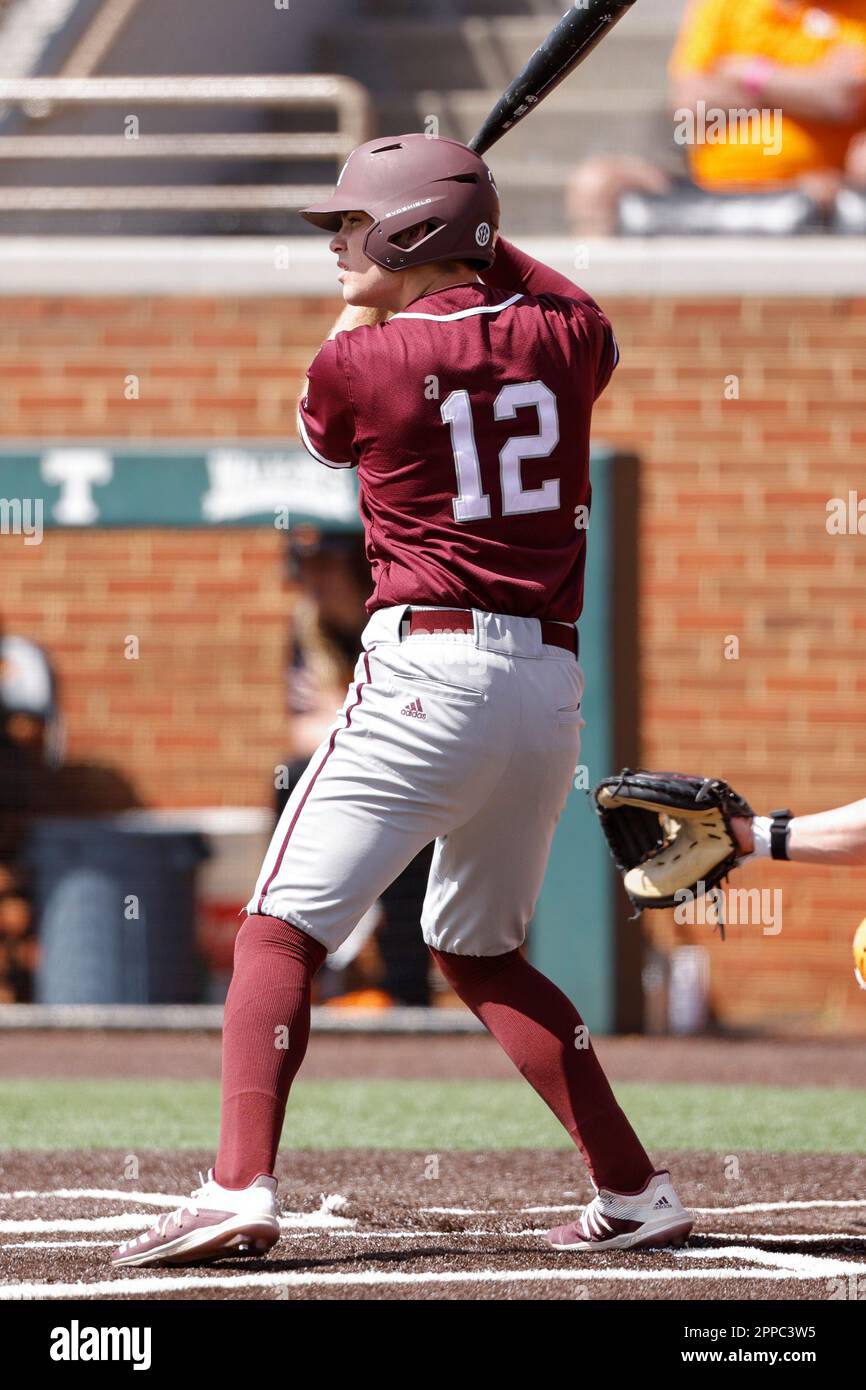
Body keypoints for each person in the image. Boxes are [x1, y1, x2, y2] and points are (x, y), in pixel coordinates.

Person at [112, 132, 692, 1269]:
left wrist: (435, 233)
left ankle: (236, 1184)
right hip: (544, 689)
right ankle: (633, 1186)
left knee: (277, 929)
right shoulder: (562, 338)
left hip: (425, 671)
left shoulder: (358, 364)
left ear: (409, 233)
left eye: (350, 227)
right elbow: (567, 308)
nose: (334, 247)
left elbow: (317, 421)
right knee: (477, 949)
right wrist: (470, 224)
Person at [568, 0, 866, 234]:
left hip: (813, 184)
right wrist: (801, 91)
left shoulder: (858, 12)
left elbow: (841, 96)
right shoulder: (724, 4)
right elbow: (688, 103)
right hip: (705, 180)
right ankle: (588, 311)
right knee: (595, 183)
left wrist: (748, 74)